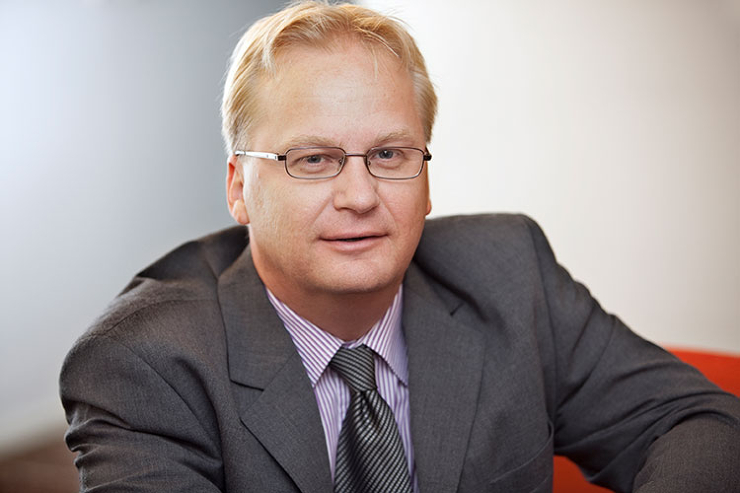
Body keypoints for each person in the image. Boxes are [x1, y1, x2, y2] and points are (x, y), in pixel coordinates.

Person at [60, 2, 740, 492]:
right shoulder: (145, 362)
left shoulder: (510, 273)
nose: (360, 195)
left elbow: (696, 421)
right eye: (313, 159)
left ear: (426, 175)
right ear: (239, 187)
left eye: (389, 154)